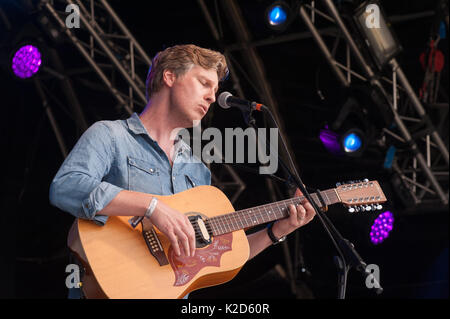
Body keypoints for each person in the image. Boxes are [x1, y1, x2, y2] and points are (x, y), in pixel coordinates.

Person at [49, 44, 316, 298]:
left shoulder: (198, 169)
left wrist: (277, 231)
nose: (212, 96)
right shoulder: (111, 135)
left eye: (214, 88)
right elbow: (66, 187)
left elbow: (218, 258)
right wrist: (151, 207)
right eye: (204, 83)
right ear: (169, 77)